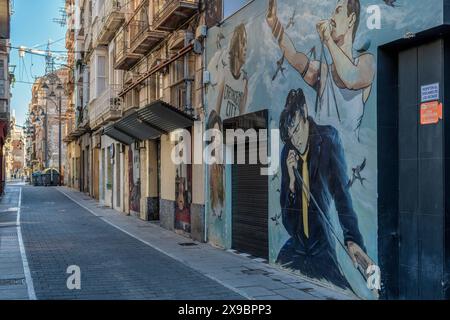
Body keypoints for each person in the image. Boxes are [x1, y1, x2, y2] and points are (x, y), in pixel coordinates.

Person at [278, 88, 373, 289]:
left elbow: (342, 195)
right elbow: (287, 221)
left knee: (343, 288)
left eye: (296, 130)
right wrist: (292, 185)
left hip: (321, 246)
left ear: (305, 112)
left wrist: (352, 239)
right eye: (290, 135)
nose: (296, 140)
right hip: (296, 247)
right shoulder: (288, 153)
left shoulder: (328, 139)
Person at [267, 0, 375, 135]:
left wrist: (328, 40)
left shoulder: (367, 62)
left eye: (337, 11)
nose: (331, 18)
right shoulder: (323, 72)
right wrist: (274, 24)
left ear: (351, 19)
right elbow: (294, 57)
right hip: (323, 153)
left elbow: (350, 78)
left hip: (351, 155)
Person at [213, 23, 249, 119]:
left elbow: (242, 114)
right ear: (236, 46)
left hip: (235, 131)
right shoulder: (225, 73)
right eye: (243, 42)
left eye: (246, 43)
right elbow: (217, 109)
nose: (246, 47)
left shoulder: (244, 81)